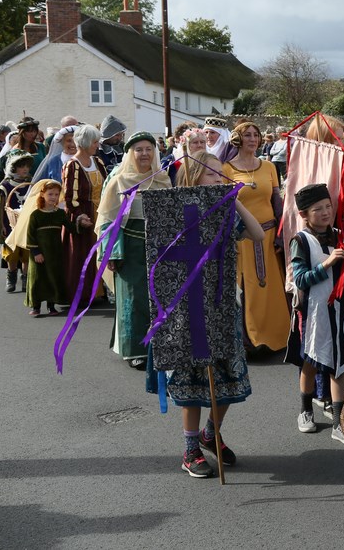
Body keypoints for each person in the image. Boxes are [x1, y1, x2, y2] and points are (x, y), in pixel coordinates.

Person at [152, 150, 263, 479]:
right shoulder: (177, 209)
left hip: (224, 303)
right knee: (195, 377)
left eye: (221, 174)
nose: (220, 178)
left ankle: (210, 434)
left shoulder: (224, 210)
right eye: (213, 175)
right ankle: (189, 449)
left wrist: (234, 200)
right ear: (194, 178)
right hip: (190, 308)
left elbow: (257, 234)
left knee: (227, 375)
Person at [286, 183, 344, 444]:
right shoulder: (301, 241)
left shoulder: (340, 235)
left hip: (341, 307)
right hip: (315, 311)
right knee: (311, 360)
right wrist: (328, 263)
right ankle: (306, 409)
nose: (326, 212)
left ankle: (339, 423)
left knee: (338, 363)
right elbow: (301, 279)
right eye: (318, 209)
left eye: (328, 206)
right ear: (305, 214)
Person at [99, 132, 173, 369]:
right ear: (131, 153)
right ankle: (134, 350)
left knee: (156, 296)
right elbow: (107, 219)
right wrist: (110, 251)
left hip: (157, 246)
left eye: (149, 149)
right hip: (129, 246)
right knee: (133, 296)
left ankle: (158, 345)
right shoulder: (119, 180)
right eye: (139, 150)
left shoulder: (162, 178)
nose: (144, 154)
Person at [223, 120, 291, 353]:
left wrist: (281, 236)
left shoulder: (269, 167)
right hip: (243, 239)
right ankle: (251, 341)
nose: (252, 139)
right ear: (238, 139)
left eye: (256, 135)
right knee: (248, 286)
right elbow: (224, 209)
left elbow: (277, 203)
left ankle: (279, 337)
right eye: (247, 135)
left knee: (272, 287)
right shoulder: (226, 170)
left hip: (269, 234)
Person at [14, 180, 92, 317]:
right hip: (38, 253)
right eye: (50, 194)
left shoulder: (60, 214)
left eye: (56, 194)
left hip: (55, 253)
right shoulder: (36, 215)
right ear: (43, 194)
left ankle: (51, 305)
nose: (54, 197)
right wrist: (36, 252)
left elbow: (71, 228)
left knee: (53, 278)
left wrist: (81, 223)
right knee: (37, 279)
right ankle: (36, 306)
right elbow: (30, 236)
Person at [62, 125, 107, 305]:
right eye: (95, 142)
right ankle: (83, 294)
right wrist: (80, 215)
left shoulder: (98, 162)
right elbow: (69, 197)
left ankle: (100, 291)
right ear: (87, 142)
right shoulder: (73, 165)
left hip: (100, 213)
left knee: (101, 253)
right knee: (84, 254)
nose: (97, 145)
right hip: (83, 215)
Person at [0, 152, 33, 292]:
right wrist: (3, 226)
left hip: (26, 224)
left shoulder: (30, 184)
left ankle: (25, 278)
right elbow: (1, 208)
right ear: (13, 168)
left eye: (27, 166)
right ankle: (11, 277)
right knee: (12, 254)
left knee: (26, 254)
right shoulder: (5, 185)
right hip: (10, 224)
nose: (25, 169)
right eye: (21, 166)